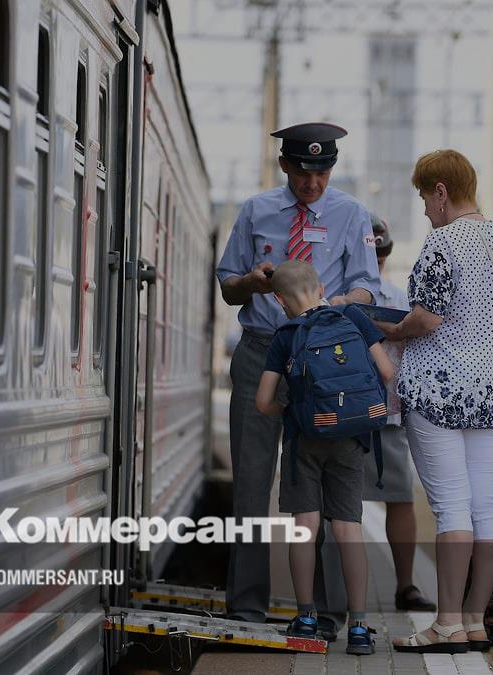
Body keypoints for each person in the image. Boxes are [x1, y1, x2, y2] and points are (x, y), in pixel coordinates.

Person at [215, 122, 380, 637]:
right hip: (263, 351)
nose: (314, 182)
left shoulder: (352, 214)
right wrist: (252, 282)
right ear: (285, 165)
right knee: (250, 484)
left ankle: (328, 614)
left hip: (323, 361)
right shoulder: (256, 211)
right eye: (305, 171)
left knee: (325, 488)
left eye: (323, 170)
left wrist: (336, 306)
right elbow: (227, 286)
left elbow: (368, 289)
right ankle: (246, 608)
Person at [377, 150, 493, 653]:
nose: (424, 208)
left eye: (424, 196)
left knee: (450, 507)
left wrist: (392, 328)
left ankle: (444, 624)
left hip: (439, 390)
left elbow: (426, 319)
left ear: (441, 191)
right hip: (491, 392)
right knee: (488, 505)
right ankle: (474, 621)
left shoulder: (443, 242)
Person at [254, 260, 393, 655]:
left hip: (304, 440)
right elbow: (384, 372)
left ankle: (308, 618)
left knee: (306, 527)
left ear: (279, 300)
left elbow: (263, 401)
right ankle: (361, 627)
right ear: (321, 287)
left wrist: (296, 411)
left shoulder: (285, 334)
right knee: (349, 528)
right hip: (352, 438)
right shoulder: (351, 316)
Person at [363, 215, 436, 613]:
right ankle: (404, 586)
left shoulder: (338, 297)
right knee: (398, 499)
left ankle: (337, 585)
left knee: (344, 503)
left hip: (352, 414)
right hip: (387, 410)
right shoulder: (398, 302)